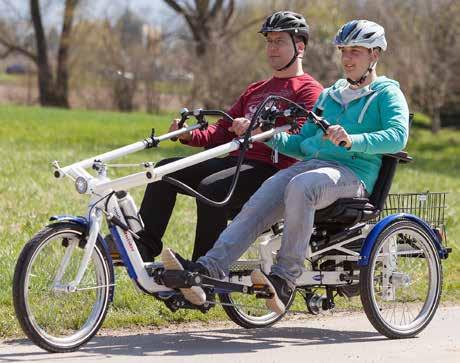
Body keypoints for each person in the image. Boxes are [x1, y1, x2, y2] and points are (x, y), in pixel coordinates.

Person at [161, 20, 410, 314]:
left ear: (375, 55)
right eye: (344, 50)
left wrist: (352, 139)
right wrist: (266, 137)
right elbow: (303, 142)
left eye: (356, 51)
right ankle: (207, 270)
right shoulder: (330, 96)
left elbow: (398, 136)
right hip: (315, 166)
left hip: (353, 174)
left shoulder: (386, 93)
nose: (347, 58)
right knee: (266, 194)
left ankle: (284, 278)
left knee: (301, 186)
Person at [132, 11, 323, 263]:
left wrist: (259, 132)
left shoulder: (310, 91)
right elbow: (222, 130)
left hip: (272, 172)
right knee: (164, 170)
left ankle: (203, 270)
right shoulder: (256, 89)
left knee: (212, 187)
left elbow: (303, 138)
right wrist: (190, 136)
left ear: (299, 46)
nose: (272, 48)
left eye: (280, 42)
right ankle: (143, 249)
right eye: (269, 41)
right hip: (236, 162)